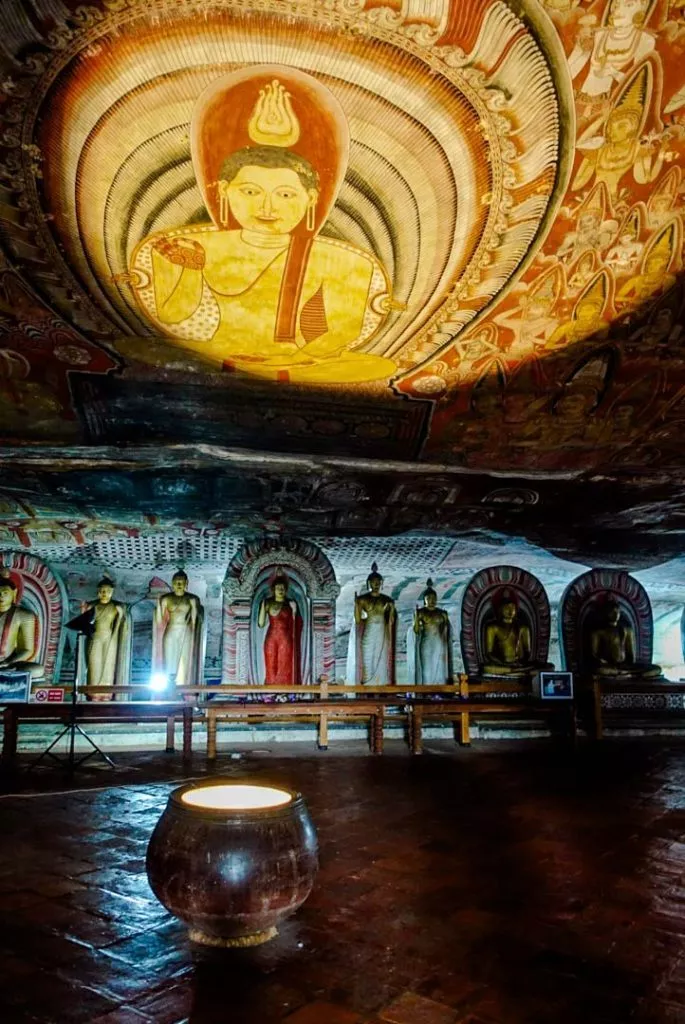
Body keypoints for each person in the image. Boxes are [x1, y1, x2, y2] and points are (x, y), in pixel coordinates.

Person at [125, 68, 397, 385]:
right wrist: (190, 271)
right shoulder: (194, 247)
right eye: (250, 192)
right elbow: (174, 317)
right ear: (224, 191)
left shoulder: (345, 261)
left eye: (285, 195)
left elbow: (342, 332)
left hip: (298, 361)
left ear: (310, 198)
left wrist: (292, 357)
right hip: (214, 354)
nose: (267, 208)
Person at [153, 570, 205, 686]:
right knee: (169, 658)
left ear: (187, 583)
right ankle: (169, 683)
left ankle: (182, 684)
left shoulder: (192, 598)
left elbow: (195, 621)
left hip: (185, 631)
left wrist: (194, 607)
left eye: (182, 582)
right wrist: (158, 604)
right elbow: (159, 620)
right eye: (176, 582)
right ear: (172, 583)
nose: (179, 585)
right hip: (171, 630)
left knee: (184, 658)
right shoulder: (166, 599)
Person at [348, 563, 396, 686]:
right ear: (368, 583)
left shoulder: (387, 600)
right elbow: (358, 621)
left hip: (382, 632)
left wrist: (391, 610)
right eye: (373, 582)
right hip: (369, 630)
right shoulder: (363, 599)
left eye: (378, 582)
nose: (376, 585)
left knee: (381, 658)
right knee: (368, 657)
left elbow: (391, 621)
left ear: (381, 583)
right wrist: (357, 606)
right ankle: (368, 683)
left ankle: (381, 683)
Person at [83, 577, 130, 701]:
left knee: (109, 665)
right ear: (98, 592)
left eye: (107, 591)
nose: (104, 594)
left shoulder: (115, 607)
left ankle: (106, 695)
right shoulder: (93, 605)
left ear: (111, 592)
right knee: (94, 665)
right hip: (95, 637)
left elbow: (122, 623)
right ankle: (94, 694)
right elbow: (84, 623)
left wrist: (120, 615)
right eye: (102, 591)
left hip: (110, 637)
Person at [589, 599, 661, 678]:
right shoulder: (599, 632)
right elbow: (594, 655)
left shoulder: (627, 630)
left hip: (626, 667)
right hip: (610, 667)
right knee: (599, 670)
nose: (616, 614)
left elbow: (631, 655)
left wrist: (629, 666)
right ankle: (629, 675)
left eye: (618, 612)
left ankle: (628, 674)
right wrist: (602, 661)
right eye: (612, 612)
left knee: (657, 669)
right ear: (606, 613)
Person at [258, 572, 302, 685]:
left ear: (286, 589)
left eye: (282, 588)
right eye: (278, 588)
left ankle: (285, 692)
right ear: (273, 589)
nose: (280, 590)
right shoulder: (267, 602)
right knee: (270, 665)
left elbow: (298, 623)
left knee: (284, 665)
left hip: (285, 638)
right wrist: (263, 607)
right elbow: (261, 624)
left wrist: (294, 611)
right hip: (271, 637)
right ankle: (270, 692)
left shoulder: (290, 603)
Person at [0, 573, 43, 678]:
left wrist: (9, 661)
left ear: (14, 593)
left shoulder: (24, 616)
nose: (1, 596)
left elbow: (27, 650)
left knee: (37, 670)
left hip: (7, 664)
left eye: (5, 593)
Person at [408, 579, 451, 684]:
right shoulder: (421, 612)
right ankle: (426, 691)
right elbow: (416, 631)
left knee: (440, 669)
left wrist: (446, 621)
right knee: (427, 670)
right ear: (424, 600)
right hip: (426, 644)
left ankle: (439, 691)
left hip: (439, 643)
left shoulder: (442, 613)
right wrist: (416, 620)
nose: (432, 601)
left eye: (434, 598)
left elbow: (447, 632)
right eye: (429, 598)